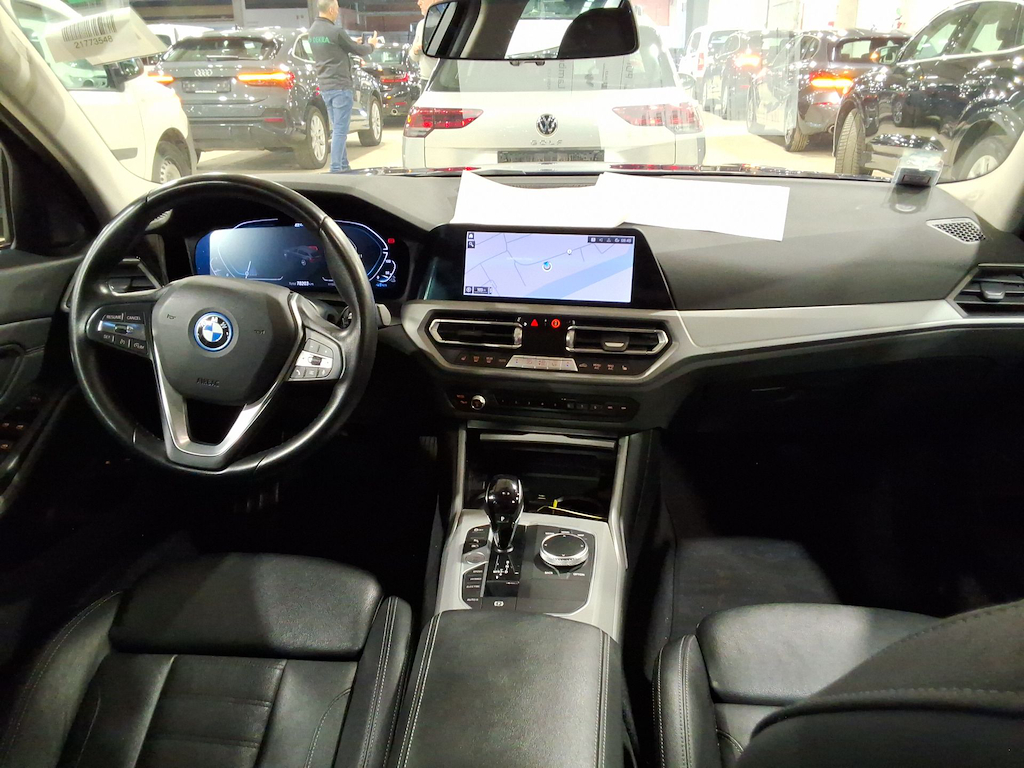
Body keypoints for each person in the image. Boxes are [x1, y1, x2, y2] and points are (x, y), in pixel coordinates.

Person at [309, 0, 381, 172]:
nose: (338, 12)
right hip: (341, 86)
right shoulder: (336, 31)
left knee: (336, 128)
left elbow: (333, 47)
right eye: (337, 9)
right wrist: (371, 45)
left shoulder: (312, 31)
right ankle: (336, 169)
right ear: (331, 9)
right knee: (341, 130)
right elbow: (358, 50)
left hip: (325, 86)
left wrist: (350, 41)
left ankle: (343, 166)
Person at [410, 0, 438, 92]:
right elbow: (413, 56)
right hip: (425, 79)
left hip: (442, 81)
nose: (419, 3)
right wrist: (415, 50)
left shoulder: (447, 21)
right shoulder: (421, 24)